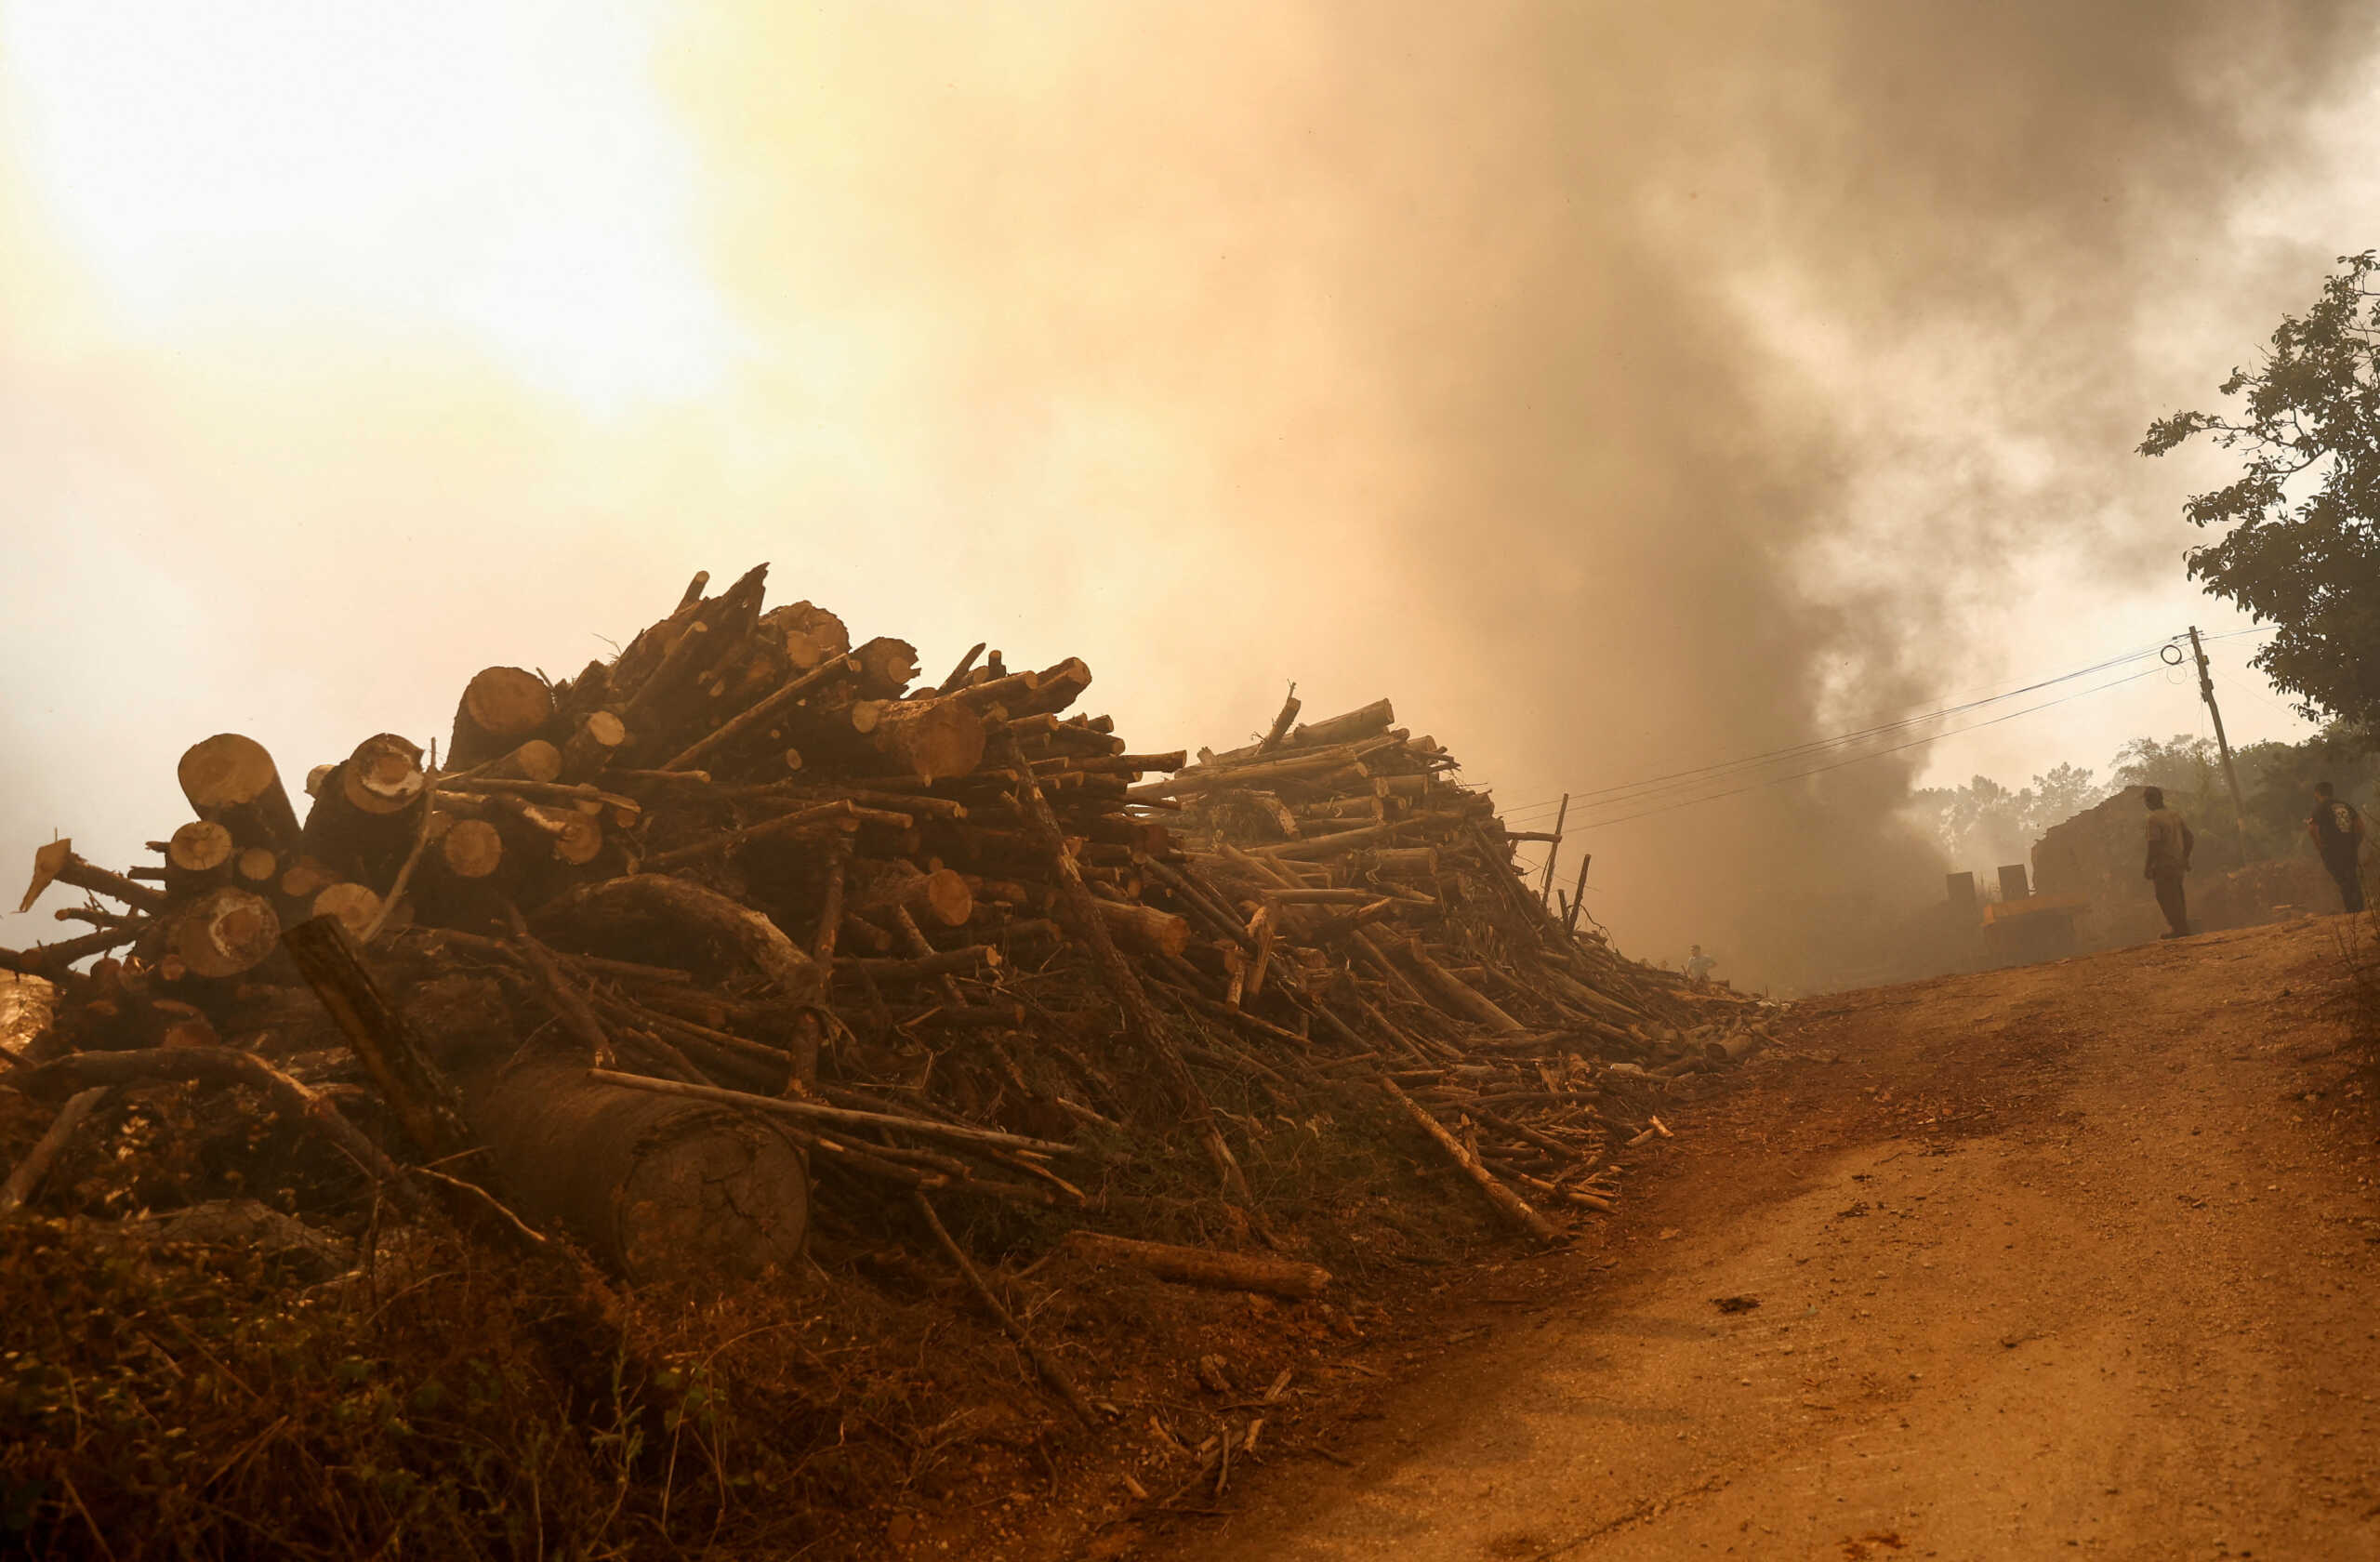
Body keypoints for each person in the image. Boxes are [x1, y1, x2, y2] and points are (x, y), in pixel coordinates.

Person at [2142, 786, 2194, 939]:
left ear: (2149, 801)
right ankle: (2182, 927)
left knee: (2164, 896)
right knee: (2177, 894)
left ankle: (2178, 929)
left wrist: (2148, 866)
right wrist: (2185, 857)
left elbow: (2154, 845)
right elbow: (2189, 837)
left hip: (2164, 864)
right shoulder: (2174, 815)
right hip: (2177, 863)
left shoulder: (2153, 819)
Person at [2307, 781, 2367, 914]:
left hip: (2332, 848)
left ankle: (2351, 910)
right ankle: (2359, 909)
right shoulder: (2345, 805)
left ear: (2317, 793)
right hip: (2349, 847)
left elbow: (2312, 829)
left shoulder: (2320, 807)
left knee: (2341, 877)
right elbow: (2360, 827)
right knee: (2352, 876)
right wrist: (2355, 843)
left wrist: (2320, 847)